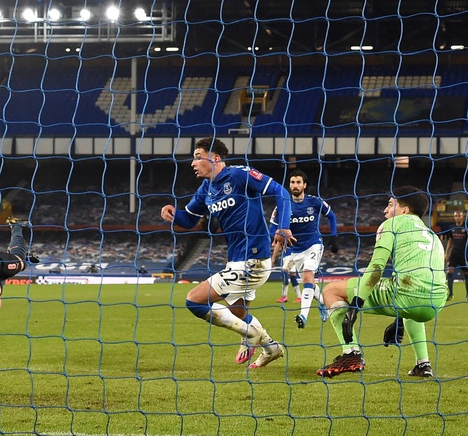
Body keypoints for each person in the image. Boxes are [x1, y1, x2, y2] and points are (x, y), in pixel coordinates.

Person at [160, 137, 295, 368]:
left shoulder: (240, 174)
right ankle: (271, 348)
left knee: (194, 301)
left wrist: (282, 225)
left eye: (197, 157)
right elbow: (189, 220)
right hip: (236, 260)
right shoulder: (206, 189)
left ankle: (250, 335)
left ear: (215, 158)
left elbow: (280, 192)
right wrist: (173, 213)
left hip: (254, 258)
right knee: (239, 311)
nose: (193, 163)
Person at [317, 186, 447, 378]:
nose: (385, 210)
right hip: (436, 302)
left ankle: (351, 353)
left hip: (407, 294)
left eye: (390, 204)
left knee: (331, 290)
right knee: (410, 295)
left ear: (405, 210)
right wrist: (400, 318)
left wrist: (355, 306)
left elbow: (376, 268)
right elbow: (422, 279)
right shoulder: (433, 235)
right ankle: (423, 364)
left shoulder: (392, 225)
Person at [269, 170, 339, 327]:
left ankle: (303, 315)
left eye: (298, 182)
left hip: (314, 244)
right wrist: (276, 236)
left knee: (308, 277)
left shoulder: (314, 202)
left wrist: (333, 237)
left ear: (304, 185)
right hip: (295, 250)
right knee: (309, 283)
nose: (295, 185)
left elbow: (331, 216)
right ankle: (322, 302)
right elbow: (272, 229)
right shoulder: (282, 205)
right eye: (292, 182)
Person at [444, 210, 467, 301]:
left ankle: (467, 295)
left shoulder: (466, 227)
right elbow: (450, 241)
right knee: (449, 273)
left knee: (466, 275)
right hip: (454, 254)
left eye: (459, 215)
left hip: (464, 255)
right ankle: (451, 294)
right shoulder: (452, 228)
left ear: (462, 217)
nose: (457, 217)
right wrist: (447, 253)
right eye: (455, 215)